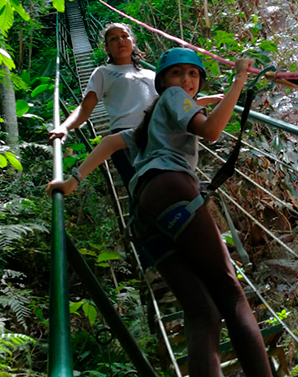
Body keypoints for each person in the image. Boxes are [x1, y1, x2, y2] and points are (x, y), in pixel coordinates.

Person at [47, 48, 272, 377]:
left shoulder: (148, 123)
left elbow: (110, 144)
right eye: (178, 73)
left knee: (202, 313)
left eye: (193, 74)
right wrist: (239, 77)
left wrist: (71, 182)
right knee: (231, 294)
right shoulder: (175, 98)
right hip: (173, 189)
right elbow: (210, 131)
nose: (186, 80)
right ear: (162, 82)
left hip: (144, 213)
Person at [48, 22, 222, 190]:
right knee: (142, 193)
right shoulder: (103, 72)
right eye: (114, 39)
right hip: (125, 138)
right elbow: (85, 108)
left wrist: (207, 99)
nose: (120, 41)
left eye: (124, 36)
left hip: (156, 134)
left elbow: (169, 106)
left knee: (165, 194)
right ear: (107, 48)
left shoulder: (152, 74)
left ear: (132, 41)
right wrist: (65, 127)